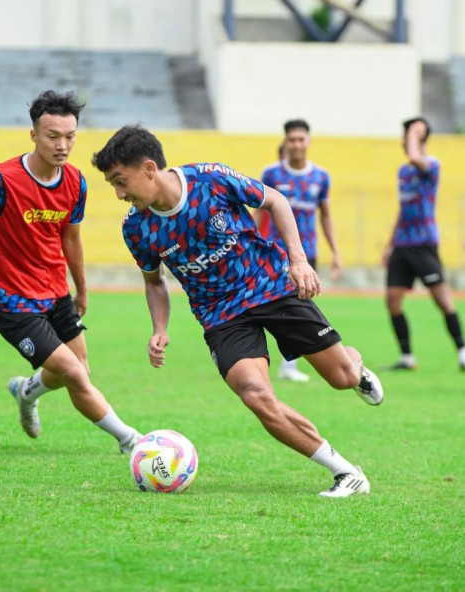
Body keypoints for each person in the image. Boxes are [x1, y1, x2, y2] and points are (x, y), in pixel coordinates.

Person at [92, 125, 384, 498]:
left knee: (342, 376)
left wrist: (298, 261)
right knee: (254, 393)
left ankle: (355, 368)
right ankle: (345, 472)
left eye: (121, 181)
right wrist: (159, 327)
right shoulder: (136, 227)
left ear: (149, 168)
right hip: (221, 316)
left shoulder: (210, 179)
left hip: (270, 287)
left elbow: (275, 200)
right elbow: (154, 282)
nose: (119, 193)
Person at [0, 90, 142, 452]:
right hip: (9, 299)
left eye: (70, 136)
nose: (63, 145)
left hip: (54, 291)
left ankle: (25, 392)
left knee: (78, 368)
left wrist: (81, 288)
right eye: (53, 136)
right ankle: (132, 441)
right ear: (34, 135)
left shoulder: (75, 182)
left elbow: (71, 240)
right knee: (72, 373)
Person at [253, 120, 341, 383]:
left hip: (305, 253)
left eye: (301, 139)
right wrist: (251, 241)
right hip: (273, 251)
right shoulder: (272, 174)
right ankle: (274, 362)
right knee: (271, 303)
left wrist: (335, 252)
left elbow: (326, 217)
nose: (297, 144)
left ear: (308, 142)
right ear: (285, 142)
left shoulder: (321, 177)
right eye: (292, 140)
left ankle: (288, 364)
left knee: (299, 305)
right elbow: (259, 209)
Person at [382, 117, 465, 371]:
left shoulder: (430, 164)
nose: (404, 142)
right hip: (402, 245)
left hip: (424, 243)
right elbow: (403, 209)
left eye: (407, 136)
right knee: (393, 300)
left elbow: (417, 157)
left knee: (442, 300)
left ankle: (462, 351)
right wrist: (389, 243)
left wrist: (415, 133)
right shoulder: (403, 172)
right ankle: (407, 357)